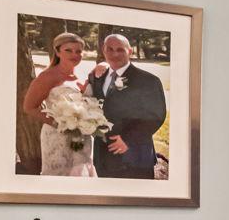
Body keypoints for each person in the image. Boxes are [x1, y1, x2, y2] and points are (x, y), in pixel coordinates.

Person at [87, 33, 168, 180]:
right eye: (110, 49)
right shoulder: (97, 77)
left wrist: (127, 139)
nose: (114, 54)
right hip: (103, 157)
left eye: (120, 50)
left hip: (134, 156)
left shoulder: (148, 80)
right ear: (103, 50)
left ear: (130, 51)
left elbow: (156, 116)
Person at [21, 32, 95, 177]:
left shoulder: (83, 75)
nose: (74, 54)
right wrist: (60, 125)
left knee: (83, 174)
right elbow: (29, 107)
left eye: (78, 51)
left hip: (83, 136)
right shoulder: (47, 76)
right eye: (68, 50)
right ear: (57, 51)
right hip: (58, 136)